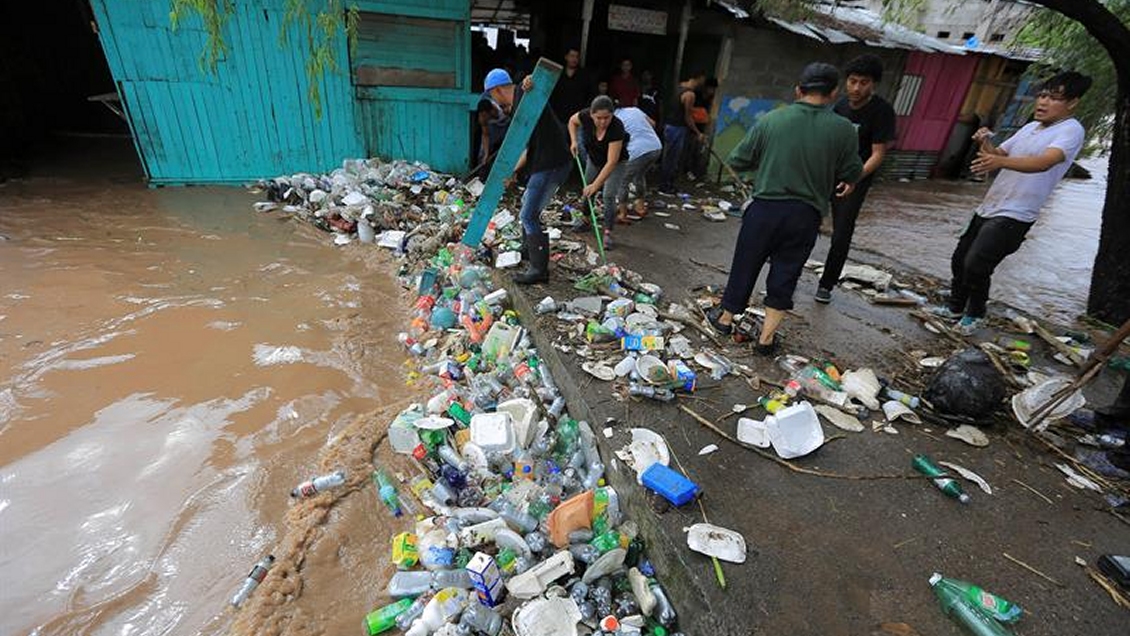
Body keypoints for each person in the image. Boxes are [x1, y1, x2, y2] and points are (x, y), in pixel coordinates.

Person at [706, 63, 863, 354]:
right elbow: (852, 172)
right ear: (833, 93)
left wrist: (764, 170)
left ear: (798, 90)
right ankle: (765, 340)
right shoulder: (843, 129)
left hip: (764, 209)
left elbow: (738, 159)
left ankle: (725, 319)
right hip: (805, 215)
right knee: (786, 272)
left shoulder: (772, 120)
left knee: (746, 263)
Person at [932, 71, 1090, 335]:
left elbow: (1045, 162)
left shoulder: (1071, 130)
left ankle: (975, 314)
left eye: (1053, 98)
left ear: (1072, 103)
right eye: (1041, 96)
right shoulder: (1029, 128)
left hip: (1018, 213)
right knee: (960, 259)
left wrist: (999, 161)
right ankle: (955, 307)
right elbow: (996, 155)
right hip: (991, 205)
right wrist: (985, 141)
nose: (1042, 102)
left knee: (977, 263)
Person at [815, 54, 897, 304]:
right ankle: (791, 266)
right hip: (828, 173)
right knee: (806, 219)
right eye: (852, 81)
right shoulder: (839, 106)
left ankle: (826, 284)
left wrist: (854, 177)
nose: (857, 88)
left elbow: (878, 153)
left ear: (873, 84)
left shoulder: (882, 112)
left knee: (841, 232)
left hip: (856, 179)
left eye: (863, 82)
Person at [484, 68, 573, 285]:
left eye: (491, 96)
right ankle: (527, 250)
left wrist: (530, 81)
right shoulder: (518, 105)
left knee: (528, 215)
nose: (494, 102)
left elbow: (538, 83)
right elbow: (526, 147)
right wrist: (513, 171)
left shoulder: (526, 96)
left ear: (496, 90)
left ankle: (539, 270)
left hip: (551, 163)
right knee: (528, 206)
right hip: (546, 162)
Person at [568, 96, 629, 249]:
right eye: (598, 118)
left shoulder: (616, 127)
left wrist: (596, 185)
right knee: (587, 190)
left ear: (612, 115)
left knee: (608, 194)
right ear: (592, 115)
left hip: (616, 163)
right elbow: (572, 122)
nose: (603, 122)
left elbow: (611, 162)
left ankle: (608, 232)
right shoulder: (585, 116)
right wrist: (574, 141)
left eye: (606, 118)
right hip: (594, 158)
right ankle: (586, 220)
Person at [613, 105, 662, 222]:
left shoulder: (614, 119)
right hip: (656, 147)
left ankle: (622, 214)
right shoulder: (635, 110)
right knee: (639, 175)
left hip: (638, 150)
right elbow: (653, 124)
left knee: (623, 181)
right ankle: (640, 207)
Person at [659, 71, 706, 194]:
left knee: (668, 157)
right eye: (701, 80)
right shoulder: (689, 94)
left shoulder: (678, 88)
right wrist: (697, 132)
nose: (701, 83)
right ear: (696, 79)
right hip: (677, 128)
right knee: (673, 158)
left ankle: (665, 184)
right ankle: (666, 186)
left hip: (669, 125)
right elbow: (688, 116)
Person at [549, 46, 593, 125]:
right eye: (572, 56)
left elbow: (590, 95)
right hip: (559, 117)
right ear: (566, 57)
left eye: (577, 57)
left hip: (578, 118)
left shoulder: (585, 75)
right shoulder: (558, 74)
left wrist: (584, 113)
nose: (574, 59)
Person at [474, 90, 510, 178]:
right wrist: (486, 154)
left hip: (507, 126)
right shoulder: (483, 118)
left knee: (505, 154)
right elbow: (485, 135)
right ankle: (482, 178)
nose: (485, 119)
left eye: (487, 116)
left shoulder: (505, 106)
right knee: (482, 155)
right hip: (494, 131)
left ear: (492, 110)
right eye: (483, 117)